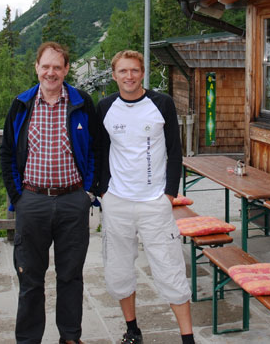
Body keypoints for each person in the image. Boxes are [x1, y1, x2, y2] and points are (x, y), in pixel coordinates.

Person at [0, 41, 102, 344]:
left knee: (71, 275)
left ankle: (70, 337)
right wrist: (19, 196)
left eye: (57, 66)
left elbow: (97, 149)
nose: (51, 72)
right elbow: (7, 153)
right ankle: (29, 340)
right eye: (45, 66)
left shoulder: (82, 102)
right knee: (30, 278)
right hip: (32, 201)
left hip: (73, 201)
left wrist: (88, 192)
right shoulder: (21, 104)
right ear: (37, 67)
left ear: (67, 69)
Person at [96, 49, 194, 344]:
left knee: (170, 268)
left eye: (135, 70)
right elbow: (100, 151)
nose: (129, 76)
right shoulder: (105, 107)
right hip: (117, 202)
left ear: (142, 73)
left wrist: (168, 195)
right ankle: (132, 329)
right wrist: (103, 192)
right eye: (123, 71)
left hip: (155, 203)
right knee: (119, 269)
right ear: (114, 75)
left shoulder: (161, 103)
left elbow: (175, 152)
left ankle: (187, 338)